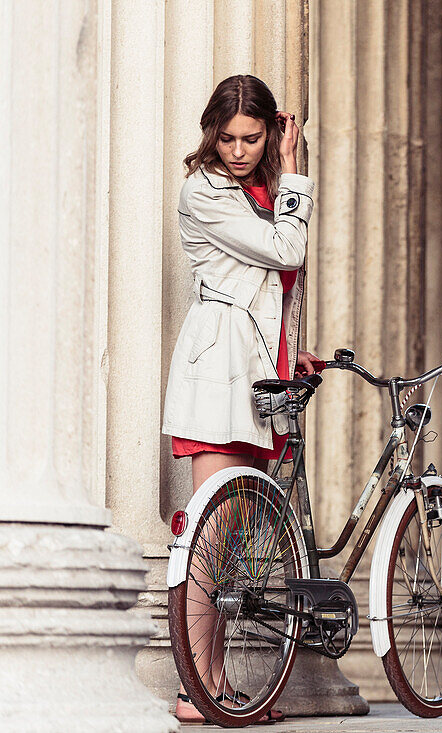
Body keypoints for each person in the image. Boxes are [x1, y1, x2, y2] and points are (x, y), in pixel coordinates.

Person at [161, 74, 318, 725]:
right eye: (226, 137)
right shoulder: (205, 190)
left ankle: (215, 682)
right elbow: (288, 246)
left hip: (254, 367)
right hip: (218, 368)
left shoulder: (259, 189)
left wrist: (291, 350)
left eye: (252, 137)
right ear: (211, 133)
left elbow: (269, 283)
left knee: (230, 544)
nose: (238, 148)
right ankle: (195, 688)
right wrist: (297, 173)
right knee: (211, 533)